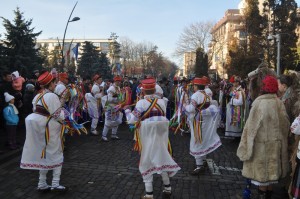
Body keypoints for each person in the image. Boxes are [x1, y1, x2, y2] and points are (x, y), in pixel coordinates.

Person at [124, 78, 180, 199]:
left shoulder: (141, 103)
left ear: (143, 91)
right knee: (161, 156)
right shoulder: (161, 102)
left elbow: (132, 120)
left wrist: (127, 110)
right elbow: (162, 116)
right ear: (154, 90)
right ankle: (167, 188)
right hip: (161, 135)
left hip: (148, 135)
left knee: (147, 159)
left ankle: (149, 194)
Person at [237, 75, 290, 199]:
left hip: (261, 149)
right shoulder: (279, 103)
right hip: (275, 149)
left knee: (262, 180)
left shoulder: (259, 103)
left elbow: (250, 129)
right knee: (271, 179)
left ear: (264, 87)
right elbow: (285, 126)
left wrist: (245, 147)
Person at [20, 71, 68, 192]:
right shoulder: (51, 96)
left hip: (40, 129)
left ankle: (42, 183)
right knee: (57, 153)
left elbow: (36, 110)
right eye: (54, 82)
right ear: (51, 83)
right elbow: (58, 115)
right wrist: (63, 106)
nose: (55, 84)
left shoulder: (38, 96)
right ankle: (55, 184)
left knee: (44, 155)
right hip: (50, 129)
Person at [184, 77, 222, 175]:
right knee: (203, 139)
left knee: (197, 140)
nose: (194, 87)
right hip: (205, 120)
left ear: (196, 86)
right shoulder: (207, 94)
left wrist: (185, 106)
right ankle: (203, 160)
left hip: (197, 121)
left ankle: (199, 166)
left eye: (194, 86)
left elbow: (192, 109)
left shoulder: (195, 95)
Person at [101, 75, 123, 141]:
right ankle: (103, 136)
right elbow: (110, 99)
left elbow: (120, 97)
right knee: (108, 121)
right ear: (115, 81)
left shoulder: (118, 88)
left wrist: (120, 97)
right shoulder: (111, 89)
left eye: (119, 81)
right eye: (118, 81)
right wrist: (117, 97)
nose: (119, 82)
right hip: (110, 107)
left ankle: (113, 134)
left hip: (116, 107)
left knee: (116, 121)